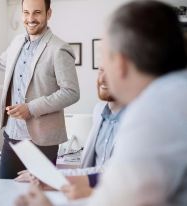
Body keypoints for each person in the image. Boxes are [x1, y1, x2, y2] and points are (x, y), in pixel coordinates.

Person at [15, 1, 187, 205]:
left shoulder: (154, 111)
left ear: (120, 64)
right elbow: (120, 177)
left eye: (103, 57)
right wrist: (59, 179)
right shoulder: (174, 93)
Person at [0, 0, 80, 179]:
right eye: (26, 13)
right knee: (4, 193)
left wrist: (31, 108)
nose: (30, 18)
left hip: (43, 141)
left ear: (48, 14)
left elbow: (71, 92)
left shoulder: (59, 49)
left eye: (37, 13)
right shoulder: (17, 42)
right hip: (12, 137)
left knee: (37, 198)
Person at [16, 66, 124, 200]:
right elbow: (93, 167)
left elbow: (112, 172)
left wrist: (52, 176)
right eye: (101, 70)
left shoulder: (140, 120)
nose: (102, 78)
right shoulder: (99, 110)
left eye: (111, 71)